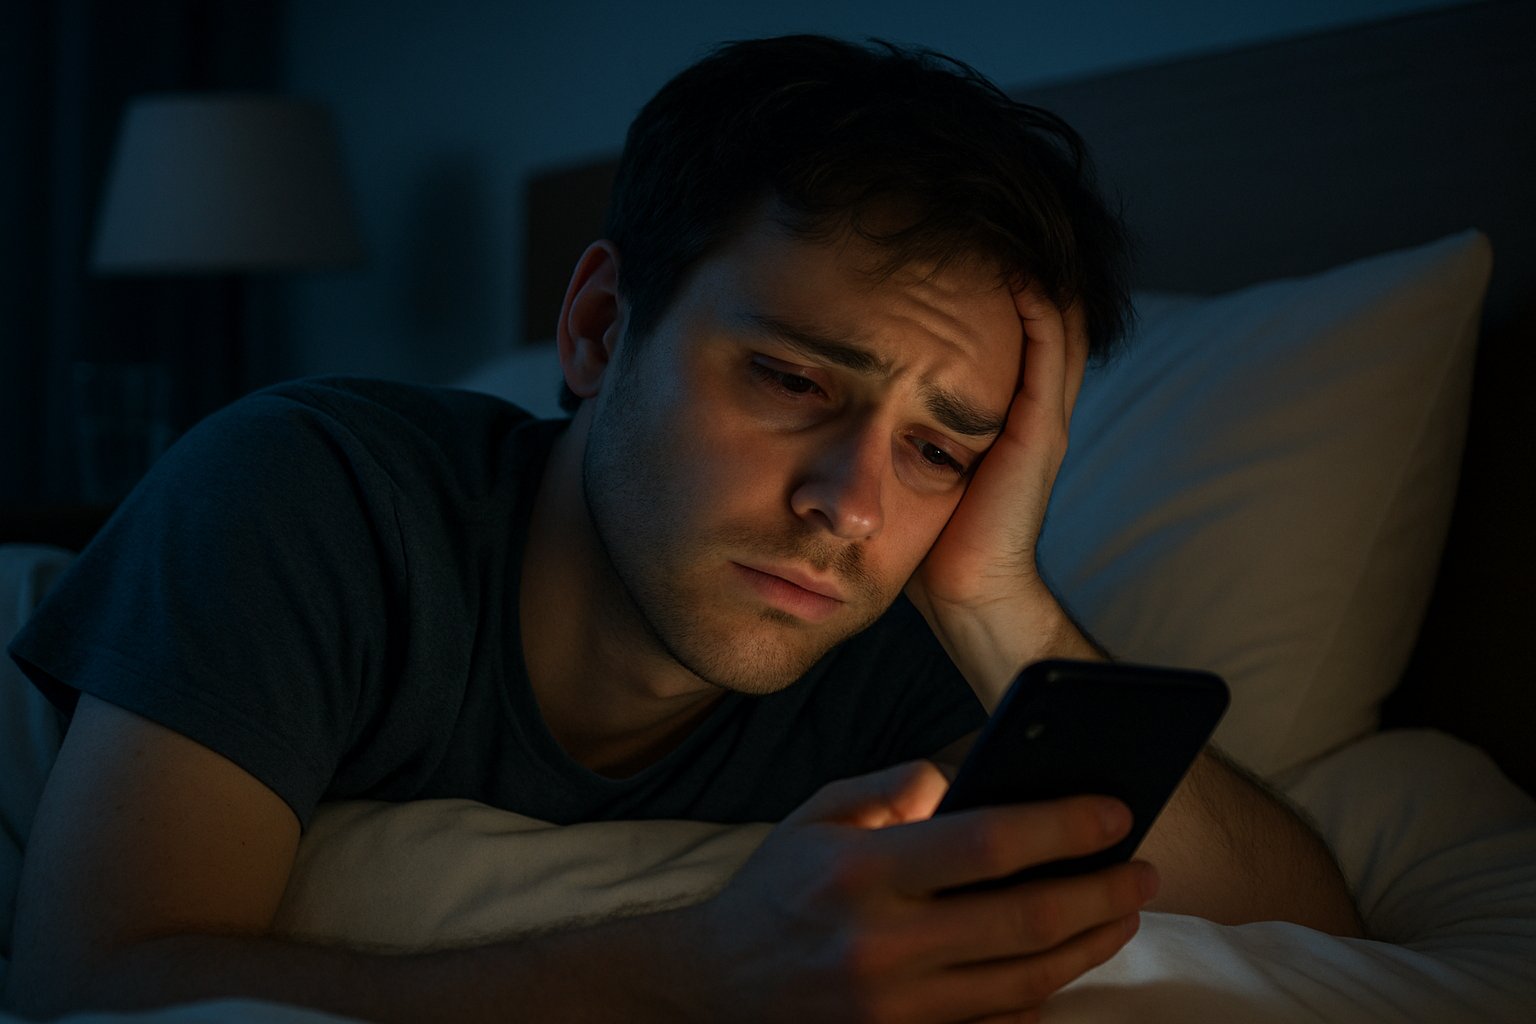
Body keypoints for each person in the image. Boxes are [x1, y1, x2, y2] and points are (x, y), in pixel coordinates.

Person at [5, 34, 1361, 1023]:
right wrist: (698, 970)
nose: (850, 502)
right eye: (788, 381)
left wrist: (1000, 593)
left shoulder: (891, 624)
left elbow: (1316, 933)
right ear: (600, 328)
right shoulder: (305, 496)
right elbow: (93, 983)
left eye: (942, 447)